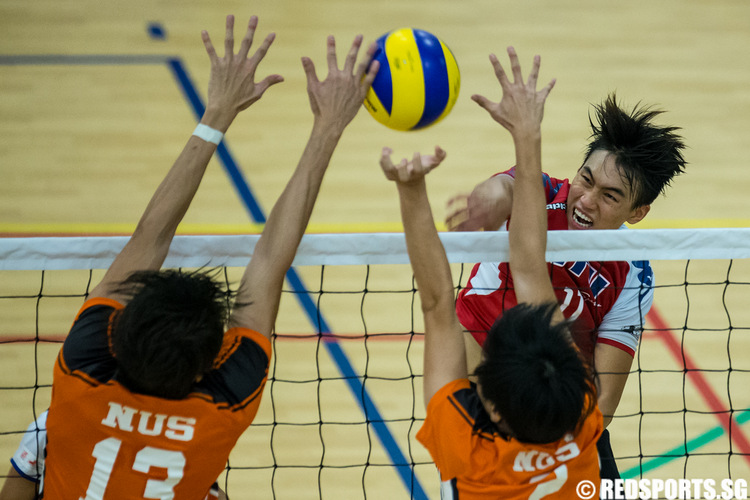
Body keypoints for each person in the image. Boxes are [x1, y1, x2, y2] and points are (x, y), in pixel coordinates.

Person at [37, 15, 378, 499]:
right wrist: (328, 128)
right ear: (204, 369)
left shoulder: (82, 369)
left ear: (118, 335)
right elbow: (269, 262)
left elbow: (150, 236)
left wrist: (215, 113)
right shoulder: (221, 406)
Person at [380, 47, 602, 499]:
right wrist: (527, 135)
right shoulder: (579, 417)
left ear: (495, 412)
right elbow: (521, 269)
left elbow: (444, 303)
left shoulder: (473, 447)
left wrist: (411, 189)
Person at [446, 88, 686, 477]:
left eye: (610, 196)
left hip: (560, 411)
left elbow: (604, 400)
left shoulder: (631, 273)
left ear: (638, 212)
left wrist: (547, 436)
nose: (587, 200)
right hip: (482, 391)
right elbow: (503, 188)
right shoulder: (537, 196)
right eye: (585, 179)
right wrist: (487, 198)